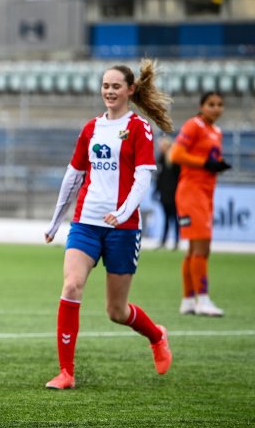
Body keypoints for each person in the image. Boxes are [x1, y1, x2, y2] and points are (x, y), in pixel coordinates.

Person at [43, 59, 174, 390]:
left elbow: (143, 176)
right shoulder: (90, 129)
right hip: (85, 224)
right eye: (105, 85)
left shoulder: (139, 128)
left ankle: (156, 335)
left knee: (116, 311)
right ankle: (66, 373)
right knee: (71, 285)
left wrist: (123, 210)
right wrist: (56, 221)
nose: (110, 91)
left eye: (116, 86)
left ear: (130, 90)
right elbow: (73, 176)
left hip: (124, 228)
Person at [169, 92, 230, 317]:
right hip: (191, 193)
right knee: (202, 247)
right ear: (201, 106)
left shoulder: (217, 132)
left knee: (195, 249)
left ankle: (187, 300)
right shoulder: (193, 125)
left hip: (205, 193)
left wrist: (218, 165)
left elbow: (208, 160)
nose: (216, 108)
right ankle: (202, 299)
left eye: (220, 104)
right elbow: (176, 154)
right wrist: (206, 163)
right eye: (211, 104)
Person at [154, 136, 180, 249]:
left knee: (174, 218)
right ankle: (164, 240)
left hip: (173, 194)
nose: (160, 148)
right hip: (164, 194)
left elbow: (178, 177)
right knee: (166, 218)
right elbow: (159, 178)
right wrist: (156, 191)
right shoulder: (161, 159)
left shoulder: (174, 160)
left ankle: (176, 241)